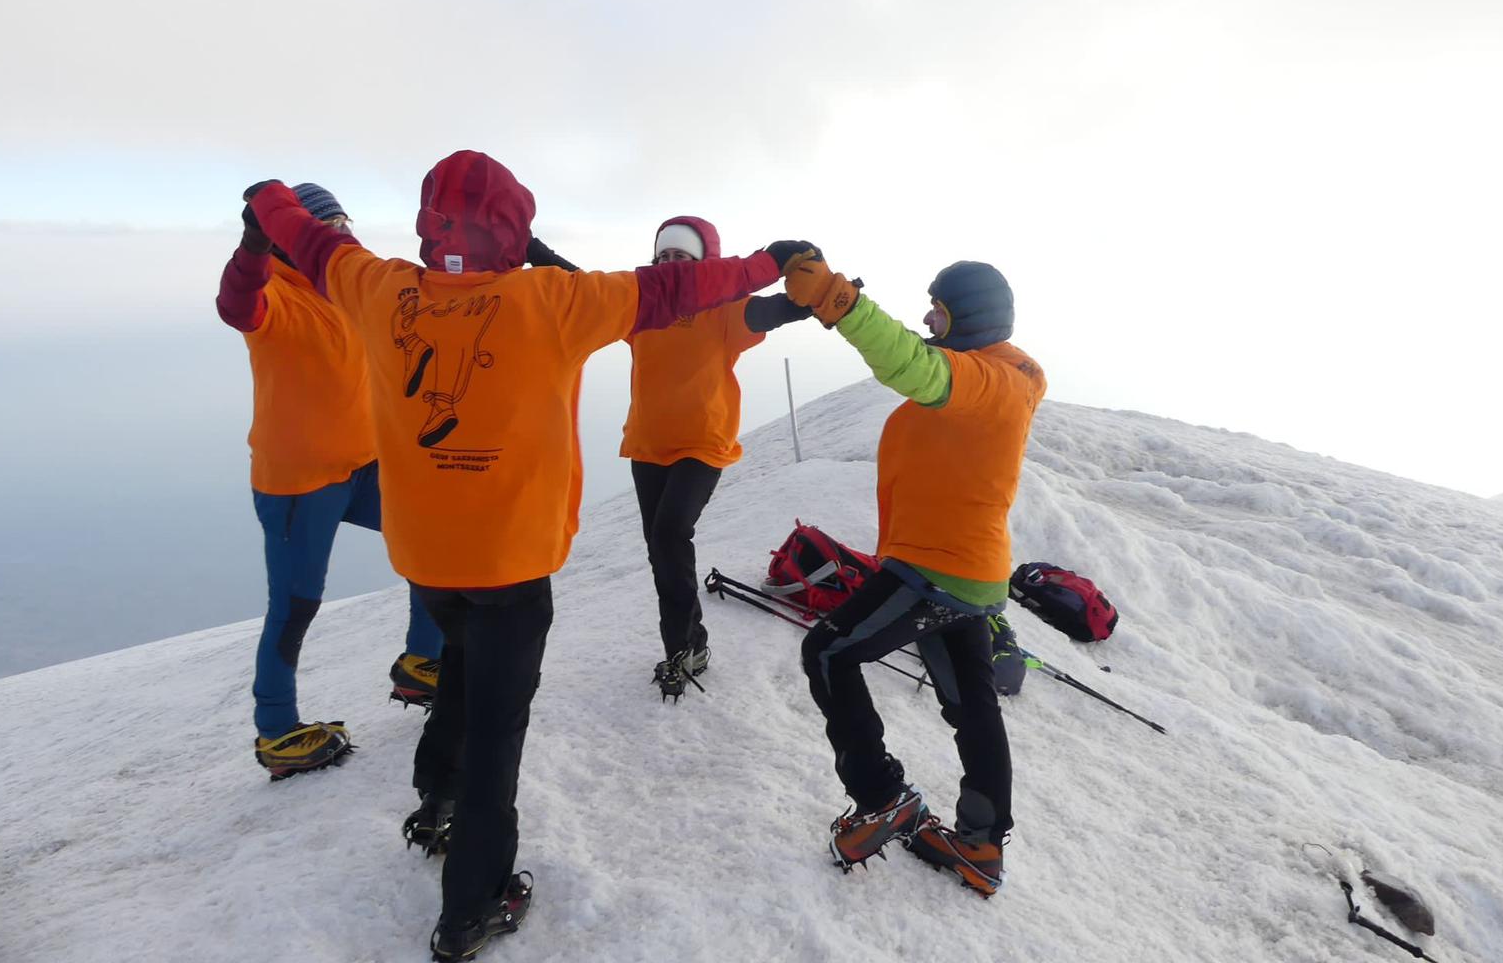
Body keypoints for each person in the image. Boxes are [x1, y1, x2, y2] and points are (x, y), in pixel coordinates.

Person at [242, 151, 810, 960]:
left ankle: (434, 795)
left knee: (462, 670)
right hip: (509, 566)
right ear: (512, 227)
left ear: (429, 225)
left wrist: (265, 199)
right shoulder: (553, 301)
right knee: (497, 734)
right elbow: (670, 292)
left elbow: (313, 242)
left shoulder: (381, 288)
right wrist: (765, 263)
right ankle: (472, 905)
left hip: (428, 562)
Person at [784, 252, 1046, 897]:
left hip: (939, 567)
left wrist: (837, 301)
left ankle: (882, 798)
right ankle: (981, 845)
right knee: (970, 706)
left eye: (940, 307)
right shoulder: (994, 376)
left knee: (828, 653)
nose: (928, 316)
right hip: (964, 573)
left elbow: (915, 368)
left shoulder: (992, 378)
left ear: (972, 316)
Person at [218, 182, 444, 779]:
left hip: (362, 465)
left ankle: (424, 664)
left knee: (433, 539)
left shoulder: (349, 288)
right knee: (294, 608)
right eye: (324, 225)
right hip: (298, 483)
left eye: (343, 222)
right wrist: (252, 244)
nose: (337, 234)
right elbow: (236, 304)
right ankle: (276, 733)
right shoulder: (274, 293)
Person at [620, 215, 813, 698]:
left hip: (702, 445)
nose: (669, 266)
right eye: (662, 257)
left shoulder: (722, 311)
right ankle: (686, 644)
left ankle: (688, 648)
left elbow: (774, 310)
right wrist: (533, 250)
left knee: (669, 533)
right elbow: (580, 291)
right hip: (647, 445)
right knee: (661, 551)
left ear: (703, 263)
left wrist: (814, 290)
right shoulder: (640, 306)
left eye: (680, 257)